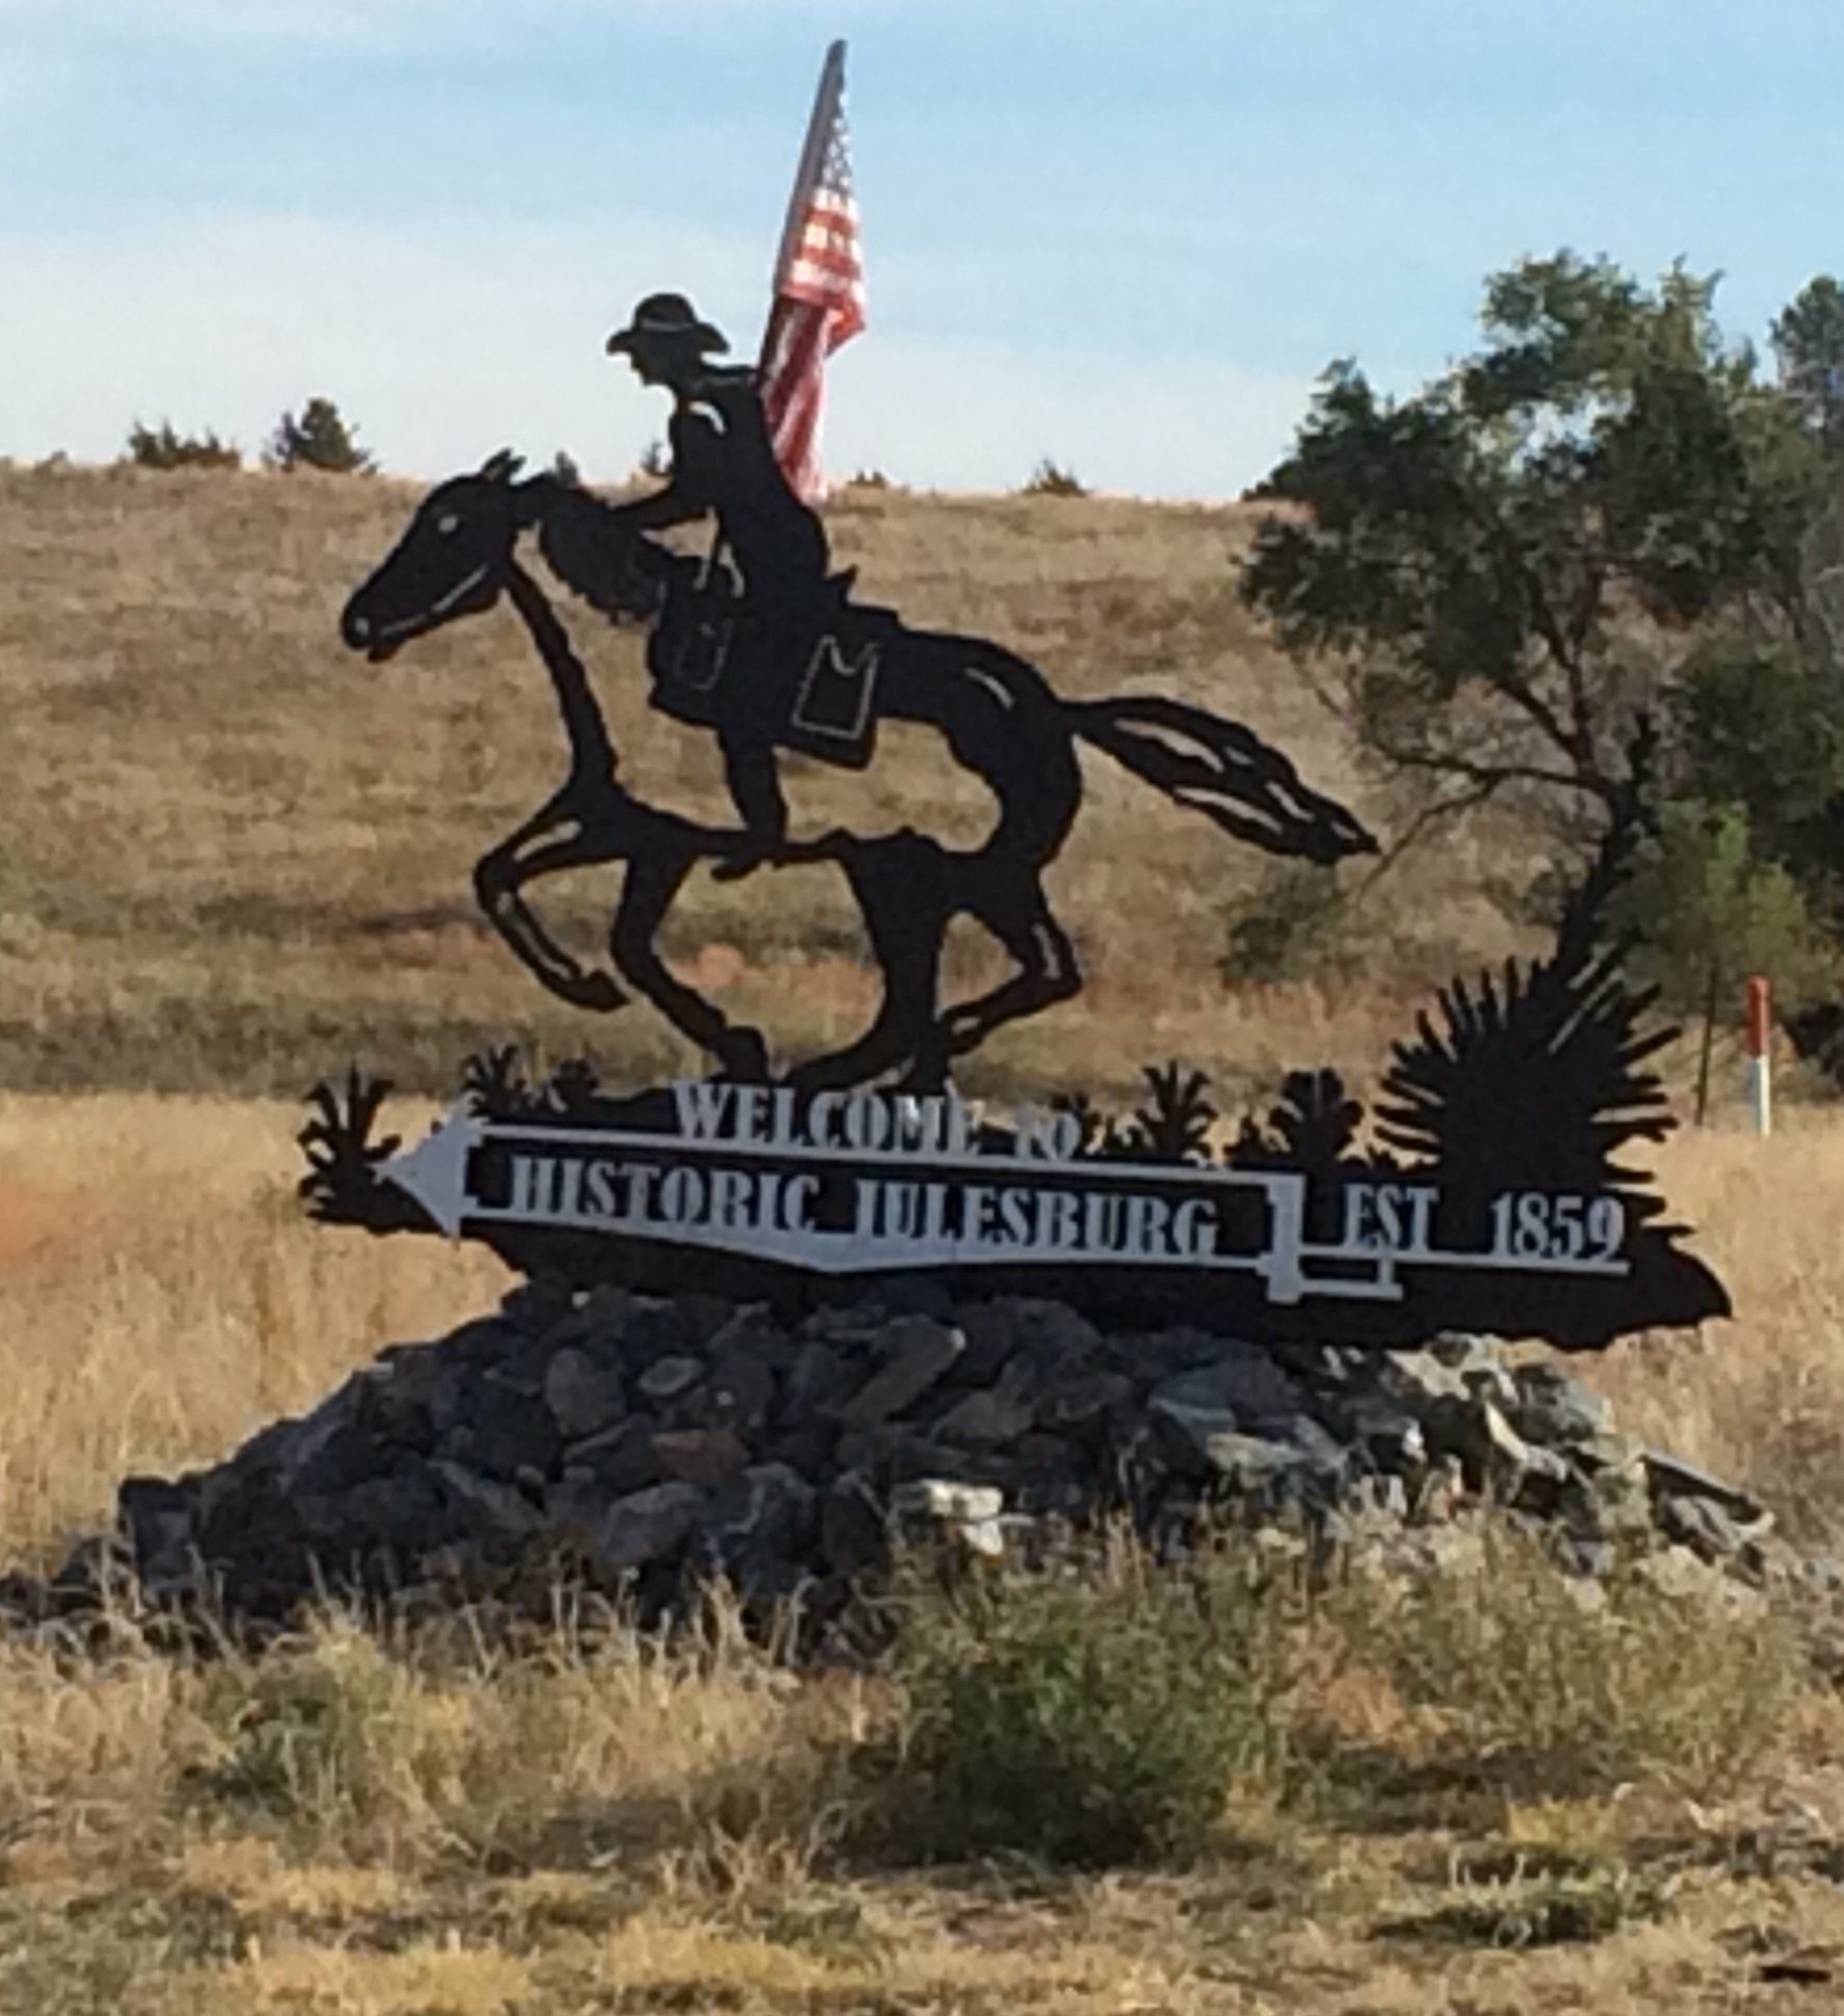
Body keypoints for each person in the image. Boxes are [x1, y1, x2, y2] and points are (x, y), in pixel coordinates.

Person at [604, 291, 831, 879]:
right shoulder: (737, 390)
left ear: (665, 354)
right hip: (788, 543)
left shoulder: (696, 414)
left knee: (741, 700)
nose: (636, 366)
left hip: (773, 556)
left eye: (642, 352)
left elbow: (693, 497)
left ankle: (765, 829)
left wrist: (617, 523)